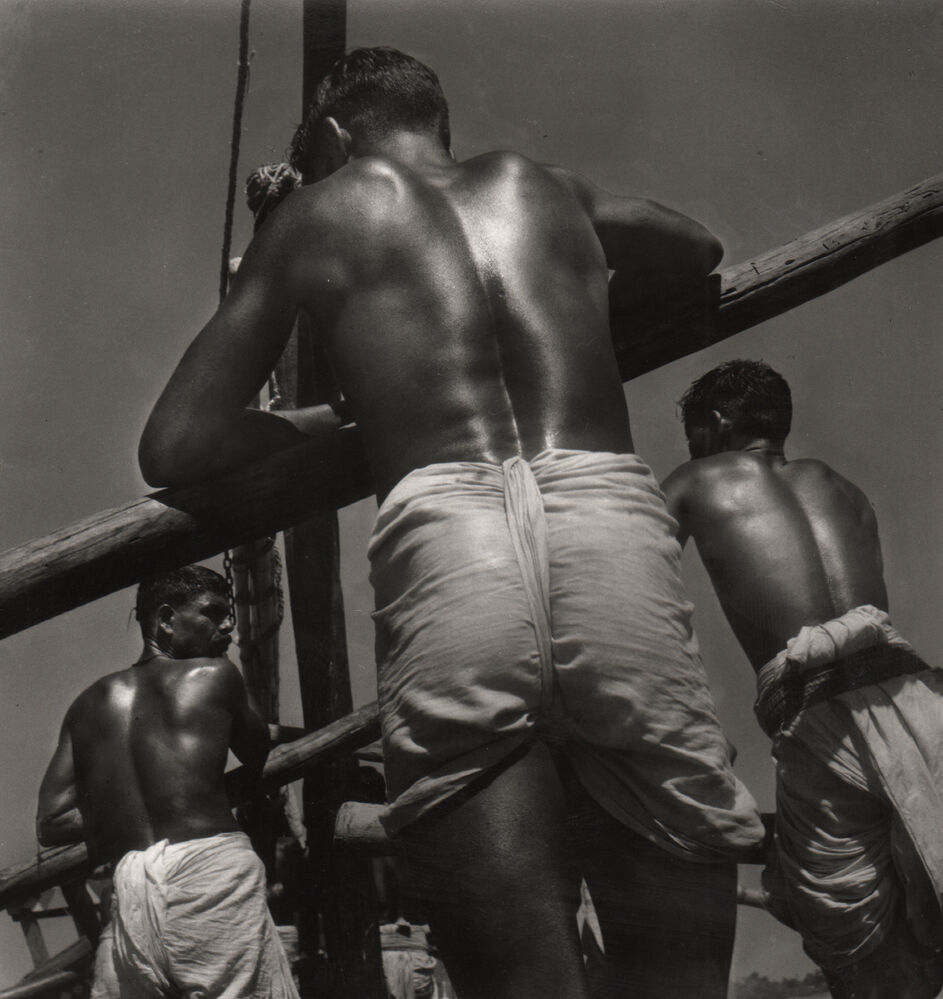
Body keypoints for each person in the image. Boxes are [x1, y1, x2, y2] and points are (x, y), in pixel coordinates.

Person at [138, 48, 764, 998]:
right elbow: (695, 246)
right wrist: (579, 308)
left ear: (338, 135)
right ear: (438, 121)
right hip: (605, 524)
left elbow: (177, 441)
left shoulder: (319, 211)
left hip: (451, 537)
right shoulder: (537, 185)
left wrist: (335, 415)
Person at [662, 359, 943, 999]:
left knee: (862, 952)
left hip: (820, 719)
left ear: (717, 420)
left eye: (695, 432)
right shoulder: (844, 489)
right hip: (918, 701)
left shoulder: (695, 480)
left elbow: (625, 577)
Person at [36, 565, 299, 999]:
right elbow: (255, 751)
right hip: (210, 874)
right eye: (213, 613)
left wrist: (126, 809)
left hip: (130, 885)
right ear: (163, 620)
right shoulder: (215, 674)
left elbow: (50, 823)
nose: (228, 624)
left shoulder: (87, 704)